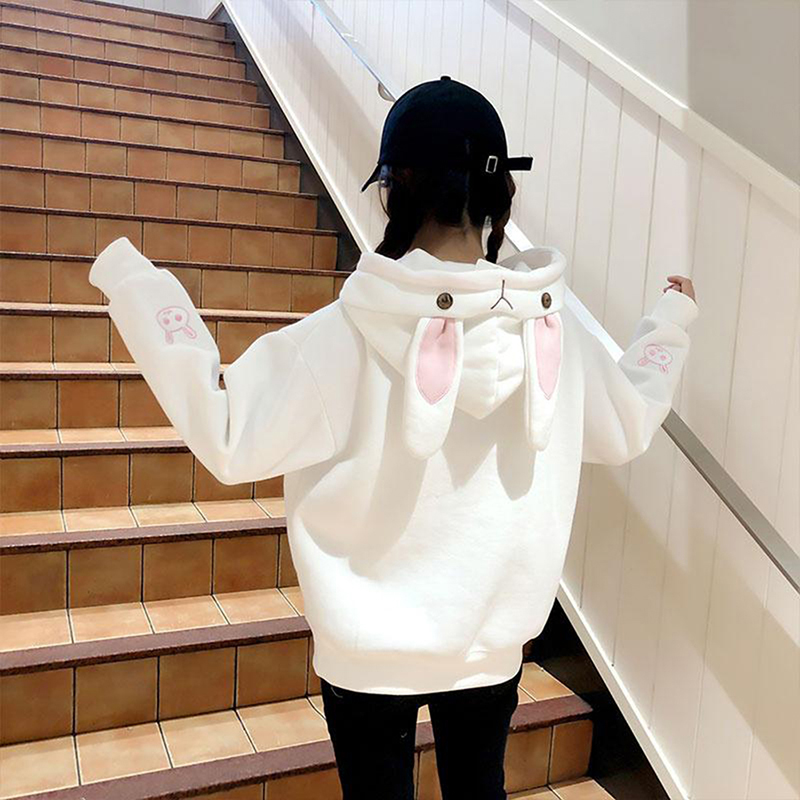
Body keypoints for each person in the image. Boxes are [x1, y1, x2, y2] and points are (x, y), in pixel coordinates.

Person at [88, 76, 698, 800]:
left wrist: (137, 286)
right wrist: (670, 321)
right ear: (500, 196)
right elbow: (629, 420)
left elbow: (228, 434)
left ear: (393, 193)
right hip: (491, 642)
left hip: (366, 652)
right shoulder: (556, 337)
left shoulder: (341, 338)